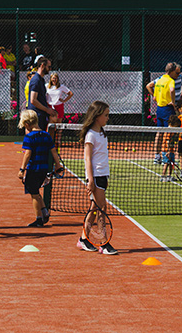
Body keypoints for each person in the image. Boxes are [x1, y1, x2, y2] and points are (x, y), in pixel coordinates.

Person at [76, 101, 117, 255]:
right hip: (96, 176)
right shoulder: (90, 135)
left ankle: (83, 239)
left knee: (94, 208)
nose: (107, 118)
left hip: (103, 175)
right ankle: (104, 243)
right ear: (97, 116)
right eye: (105, 115)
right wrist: (90, 180)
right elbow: (87, 158)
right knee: (101, 209)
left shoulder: (101, 133)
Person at [17, 110, 63, 227]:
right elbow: (53, 151)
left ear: (27, 124)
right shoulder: (47, 135)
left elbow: (28, 153)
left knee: (34, 193)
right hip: (44, 169)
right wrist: (58, 165)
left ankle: (39, 219)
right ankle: (44, 212)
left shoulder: (29, 137)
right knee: (36, 191)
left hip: (33, 169)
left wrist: (22, 169)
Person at [146, 62, 180, 164]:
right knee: (168, 134)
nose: (177, 75)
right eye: (176, 72)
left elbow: (148, 86)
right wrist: (173, 102)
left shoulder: (159, 79)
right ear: (172, 71)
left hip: (159, 109)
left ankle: (157, 157)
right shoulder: (170, 80)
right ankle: (167, 158)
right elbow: (172, 89)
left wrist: (154, 96)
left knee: (159, 132)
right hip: (167, 109)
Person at [28, 57, 57, 131]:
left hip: (41, 115)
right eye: (49, 66)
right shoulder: (36, 80)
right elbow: (33, 100)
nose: (50, 69)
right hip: (36, 117)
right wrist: (47, 110)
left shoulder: (41, 80)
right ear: (42, 65)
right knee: (37, 140)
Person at [160, 115, 180, 182]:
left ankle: (169, 176)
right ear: (171, 124)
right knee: (166, 163)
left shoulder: (173, 130)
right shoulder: (168, 131)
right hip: (166, 150)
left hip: (171, 150)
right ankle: (163, 176)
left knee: (171, 163)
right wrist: (168, 151)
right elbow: (167, 141)